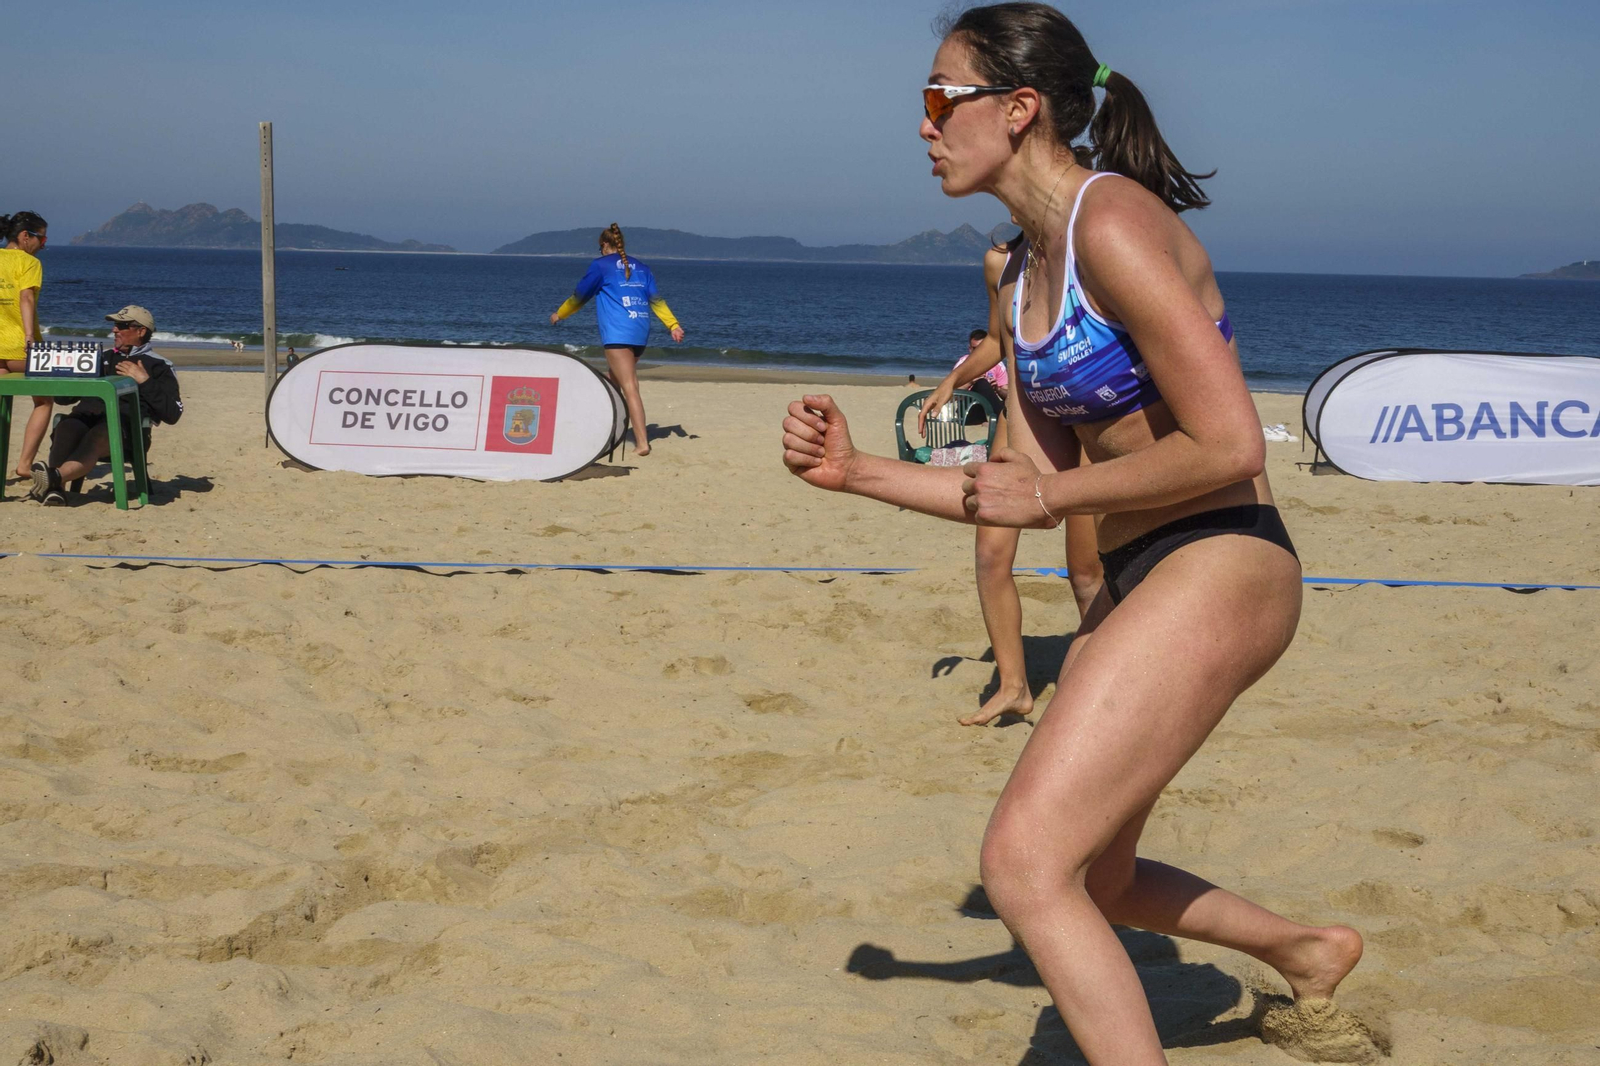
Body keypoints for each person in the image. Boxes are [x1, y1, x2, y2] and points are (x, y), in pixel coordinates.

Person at [781, 6, 1362, 1063]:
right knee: (1097, 876)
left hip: (1224, 555)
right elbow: (1024, 484)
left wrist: (1052, 504)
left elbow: (1229, 441)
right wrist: (855, 472)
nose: (921, 127)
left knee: (1020, 865)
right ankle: (1309, 950)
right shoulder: (1020, 272)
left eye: (936, 99)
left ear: (1018, 109)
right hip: (1139, 574)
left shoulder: (1113, 225)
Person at [917, 249, 1103, 726]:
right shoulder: (1000, 262)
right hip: (1022, 415)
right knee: (990, 553)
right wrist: (954, 379)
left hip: (1085, 419)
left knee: (1085, 573)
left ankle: (1095, 688)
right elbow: (999, 339)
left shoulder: (1090, 242)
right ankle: (1014, 686)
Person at [549, 224, 685, 456]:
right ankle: (600, 426)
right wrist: (673, 324)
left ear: (604, 245)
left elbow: (579, 296)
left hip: (618, 334)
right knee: (611, 380)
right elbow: (657, 301)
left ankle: (642, 443)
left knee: (630, 385)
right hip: (640, 333)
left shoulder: (600, 266)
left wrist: (559, 314)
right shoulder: (642, 267)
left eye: (598, 247)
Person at [31, 305, 183, 505]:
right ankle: (56, 489)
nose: (114, 330)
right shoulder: (101, 358)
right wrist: (69, 374)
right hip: (86, 418)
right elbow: (63, 400)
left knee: (102, 433)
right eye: (115, 325)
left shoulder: (159, 366)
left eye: (122, 325)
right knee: (67, 426)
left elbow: (172, 414)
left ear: (141, 331)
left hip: (127, 429)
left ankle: (53, 478)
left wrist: (144, 380)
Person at [0, 211, 54, 479]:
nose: (43, 245)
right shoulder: (28, 263)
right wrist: (30, 337)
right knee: (44, 401)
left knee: (2, 401)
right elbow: (26, 298)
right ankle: (24, 464)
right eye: (41, 239)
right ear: (24, 237)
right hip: (19, 349)